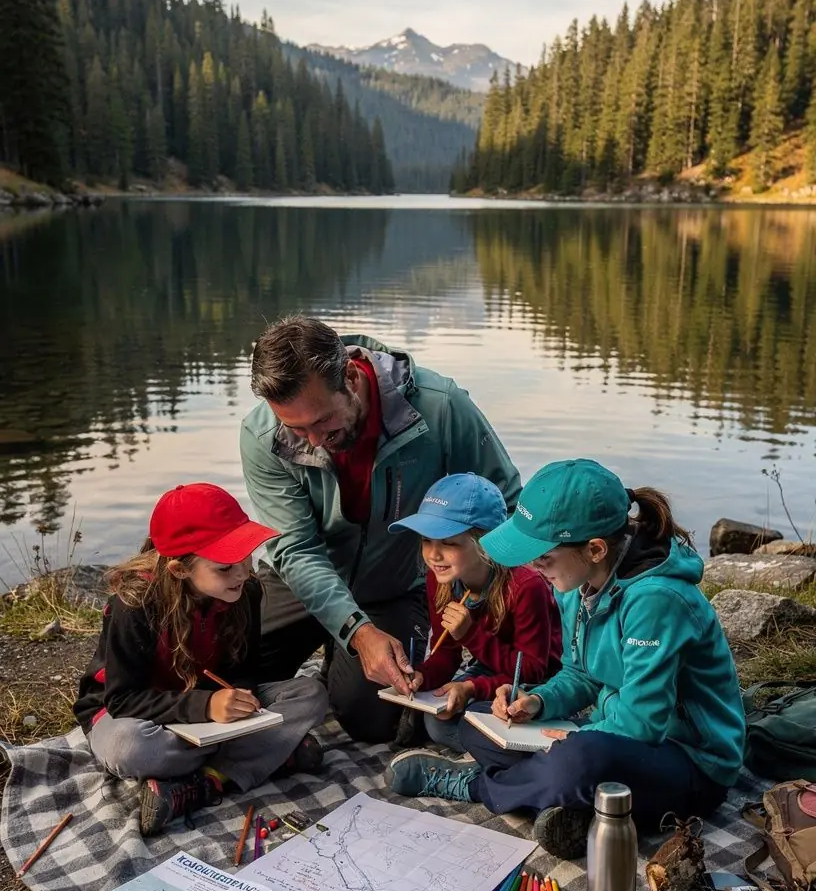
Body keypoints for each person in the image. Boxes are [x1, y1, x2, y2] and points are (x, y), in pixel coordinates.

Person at [387, 458, 746, 858]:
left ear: (594, 549)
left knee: (578, 759)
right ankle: (564, 799)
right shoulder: (573, 581)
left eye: (543, 557)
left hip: (691, 761)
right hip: (616, 735)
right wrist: (538, 702)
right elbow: (580, 674)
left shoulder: (657, 600)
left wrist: (572, 738)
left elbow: (644, 722)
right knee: (479, 720)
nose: (534, 568)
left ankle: (481, 786)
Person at [240, 316, 520, 743]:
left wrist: (488, 596)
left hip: (393, 585)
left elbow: (504, 500)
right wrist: (357, 631)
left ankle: (342, 664)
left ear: (351, 377)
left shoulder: (440, 406)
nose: (314, 440)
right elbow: (295, 550)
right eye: (297, 429)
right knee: (225, 674)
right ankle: (338, 650)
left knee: (377, 718)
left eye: (323, 421)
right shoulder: (260, 436)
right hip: (297, 584)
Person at [74, 483, 328, 837]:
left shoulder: (245, 590)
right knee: (128, 748)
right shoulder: (134, 604)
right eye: (226, 567)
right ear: (180, 570)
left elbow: (245, 668)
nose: (242, 573)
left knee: (310, 694)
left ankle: (206, 783)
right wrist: (207, 706)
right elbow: (122, 699)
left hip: (210, 717)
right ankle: (263, 754)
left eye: (246, 557)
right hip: (136, 716)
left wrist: (241, 694)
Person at [386, 473, 562, 755]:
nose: (433, 555)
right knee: (439, 719)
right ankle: (496, 751)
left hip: (540, 679)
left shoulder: (527, 586)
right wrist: (421, 676)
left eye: (449, 543)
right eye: (426, 541)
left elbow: (533, 669)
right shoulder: (441, 580)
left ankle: (509, 755)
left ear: (485, 542)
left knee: (459, 722)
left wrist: (470, 650)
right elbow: (446, 652)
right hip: (492, 667)